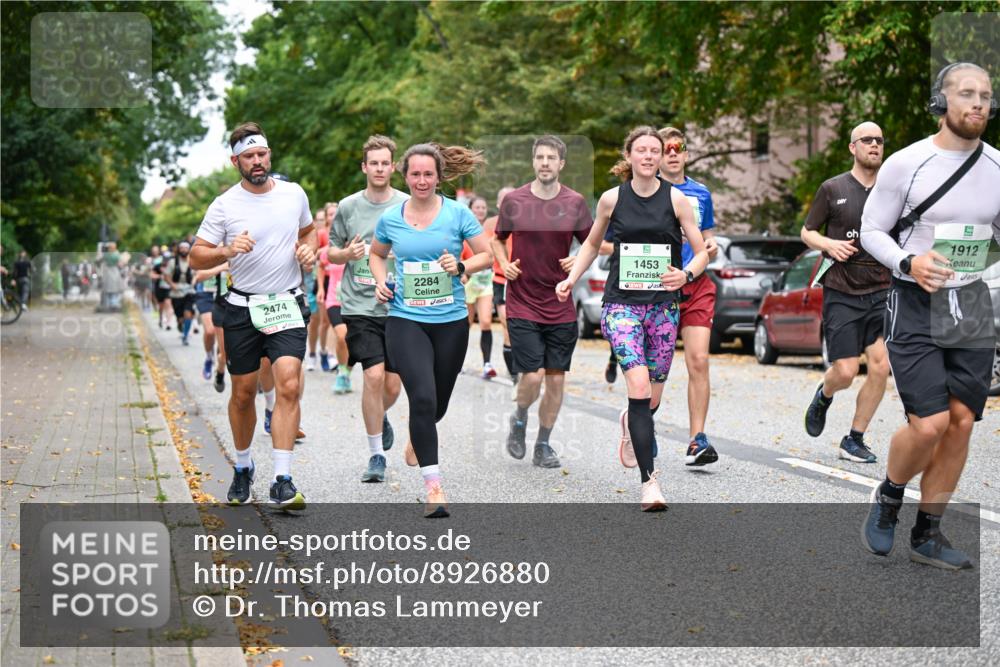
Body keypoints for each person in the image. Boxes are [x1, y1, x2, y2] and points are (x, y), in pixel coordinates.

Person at [859, 63, 999, 569]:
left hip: (971, 302)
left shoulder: (997, 167)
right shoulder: (907, 163)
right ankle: (890, 496)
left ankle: (927, 534)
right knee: (930, 423)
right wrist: (908, 261)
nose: (978, 103)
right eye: (966, 93)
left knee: (961, 422)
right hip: (914, 300)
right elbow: (871, 229)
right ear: (942, 101)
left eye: (985, 95)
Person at [557, 126, 708, 511]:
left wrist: (686, 274)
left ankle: (632, 422)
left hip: (663, 307)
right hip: (621, 305)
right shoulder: (611, 199)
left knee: (651, 398)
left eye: (654, 151)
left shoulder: (677, 200)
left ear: (660, 157)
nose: (648, 156)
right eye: (641, 150)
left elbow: (701, 251)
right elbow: (592, 243)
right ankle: (650, 483)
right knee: (639, 388)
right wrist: (571, 279)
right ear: (630, 155)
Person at [190, 121, 317, 510]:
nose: (258, 161)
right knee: (243, 393)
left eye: (262, 154)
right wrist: (227, 251)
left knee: (289, 384)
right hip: (243, 307)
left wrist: (308, 251)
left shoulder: (294, 194)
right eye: (249, 156)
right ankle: (243, 466)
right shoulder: (225, 204)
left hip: (287, 303)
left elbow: (308, 232)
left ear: (269, 155)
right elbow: (197, 255)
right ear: (236, 161)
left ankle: (282, 478)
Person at [369, 142, 492, 516]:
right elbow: (376, 253)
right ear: (404, 176)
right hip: (406, 319)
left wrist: (460, 267)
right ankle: (434, 486)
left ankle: (418, 436)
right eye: (415, 174)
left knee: (436, 404)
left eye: (428, 174)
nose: (421, 181)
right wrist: (380, 280)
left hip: (451, 321)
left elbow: (486, 255)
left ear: (439, 177)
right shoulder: (391, 217)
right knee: (421, 398)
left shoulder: (457, 214)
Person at [493, 135, 593, 469]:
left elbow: (591, 244)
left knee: (556, 380)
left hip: (560, 301)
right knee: (532, 377)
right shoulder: (515, 201)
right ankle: (519, 417)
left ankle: (543, 444)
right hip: (522, 300)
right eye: (540, 157)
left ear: (561, 164)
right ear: (534, 162)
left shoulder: (575, 202)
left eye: (552, 158)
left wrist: (576, 262)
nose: (545, 163)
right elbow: (497, 240)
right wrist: (504, 264)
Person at [801, 121, 891, 463]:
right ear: (853, 147)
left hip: (882, 288)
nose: (874, 145)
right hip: (842, 289)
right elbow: (807, 231)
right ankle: (824, 395)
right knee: (846, 371)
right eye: (867, 140)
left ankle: (854, 438)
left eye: (879, 140)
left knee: (881, 366)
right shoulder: (832, 187)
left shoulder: (892, 189)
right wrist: (829, 244)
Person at [328, 135, 408, 484]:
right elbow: (330, 252)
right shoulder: (348, 206)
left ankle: (380, 415)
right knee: (373, 377)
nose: (379, 168)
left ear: (393, 167)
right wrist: (348, 255)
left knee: (392, 387)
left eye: (384, 163)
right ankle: (376, 454)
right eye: (372, 163)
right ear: (364, 167)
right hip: (360, 305)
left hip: (400, 306)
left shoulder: (408, 204)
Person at [484, 186, 517, 382]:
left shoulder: (526, 223)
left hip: (523, 280)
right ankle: (514, 374)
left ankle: (524, 364)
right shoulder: (490, 225)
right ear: (498, 204)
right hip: (500, 278)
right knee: (506, 323)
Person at [462, 195, 497, 379]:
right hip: (469, 281)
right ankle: (457, 361)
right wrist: (462, 272)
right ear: (470, 209)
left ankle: (487, 364)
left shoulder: (490, 231)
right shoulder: (465, 230)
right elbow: (458, 253)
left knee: (485, 321)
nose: (481, 211)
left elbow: (496, 253)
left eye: (483, 207)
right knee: (465, 324)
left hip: (485, 282)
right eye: (477, 207)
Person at [318, 243, 352, 393]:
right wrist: (320, 288)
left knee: (353, 342)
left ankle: (346, 373)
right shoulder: (330, 250)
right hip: (334, 300)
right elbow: (320, 265)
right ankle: (342, 372)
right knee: (342, 335)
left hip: (354, 302)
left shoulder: (357, 246)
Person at [193, 261, 229, 382]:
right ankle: (209, 357)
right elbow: (198, 276)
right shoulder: (210, 248)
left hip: (226, 296)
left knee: (224, 345)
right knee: (209, 331)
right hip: (206, 294)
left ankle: (221, 364)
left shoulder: (237, 249)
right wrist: (222, 267)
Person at [166, 241, 196, 344]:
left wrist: (194, 281)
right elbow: (166, 276)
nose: (184, 250)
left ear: (189, 250)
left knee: (188, 313)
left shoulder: (193, 261)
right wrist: (172, 285)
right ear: (179, 249)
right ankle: (180, 324)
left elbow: (198, 274)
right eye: (182, 248)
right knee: (180, 317)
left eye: (186, 248)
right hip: (176, 292)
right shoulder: (172, 262)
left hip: (189, 291)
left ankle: (186, 335)